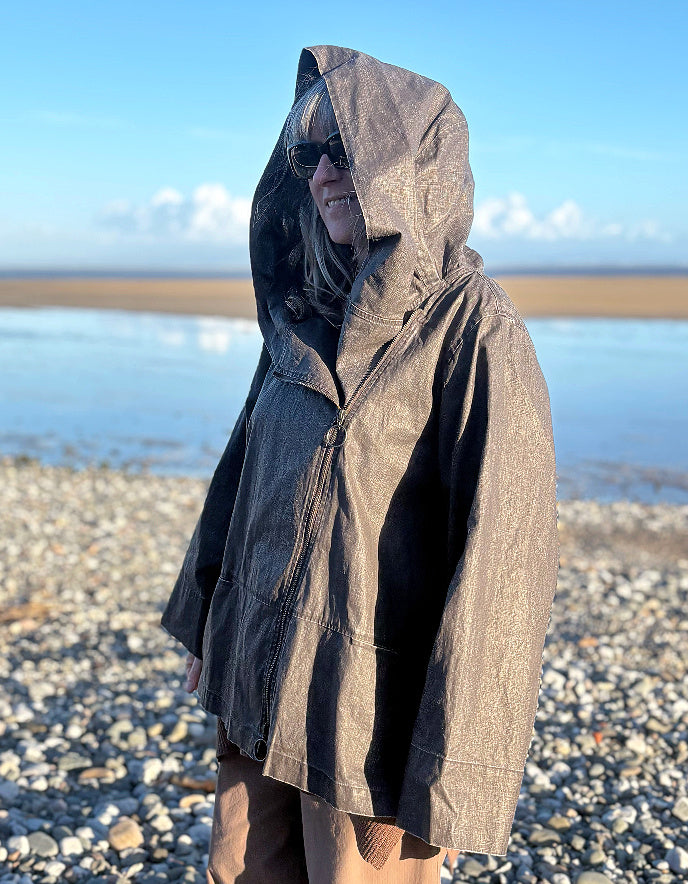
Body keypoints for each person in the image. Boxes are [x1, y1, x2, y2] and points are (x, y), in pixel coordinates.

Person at [162, 45, 559, 883]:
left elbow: (502, 574)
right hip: (256, 686)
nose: (323, 175)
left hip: (365, 730)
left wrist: (449, 782)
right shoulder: (301, 314)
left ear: (411, 157)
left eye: (348, 150)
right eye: (309, 154)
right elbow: (241, 477)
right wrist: (208, 620)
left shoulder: (474, 333)